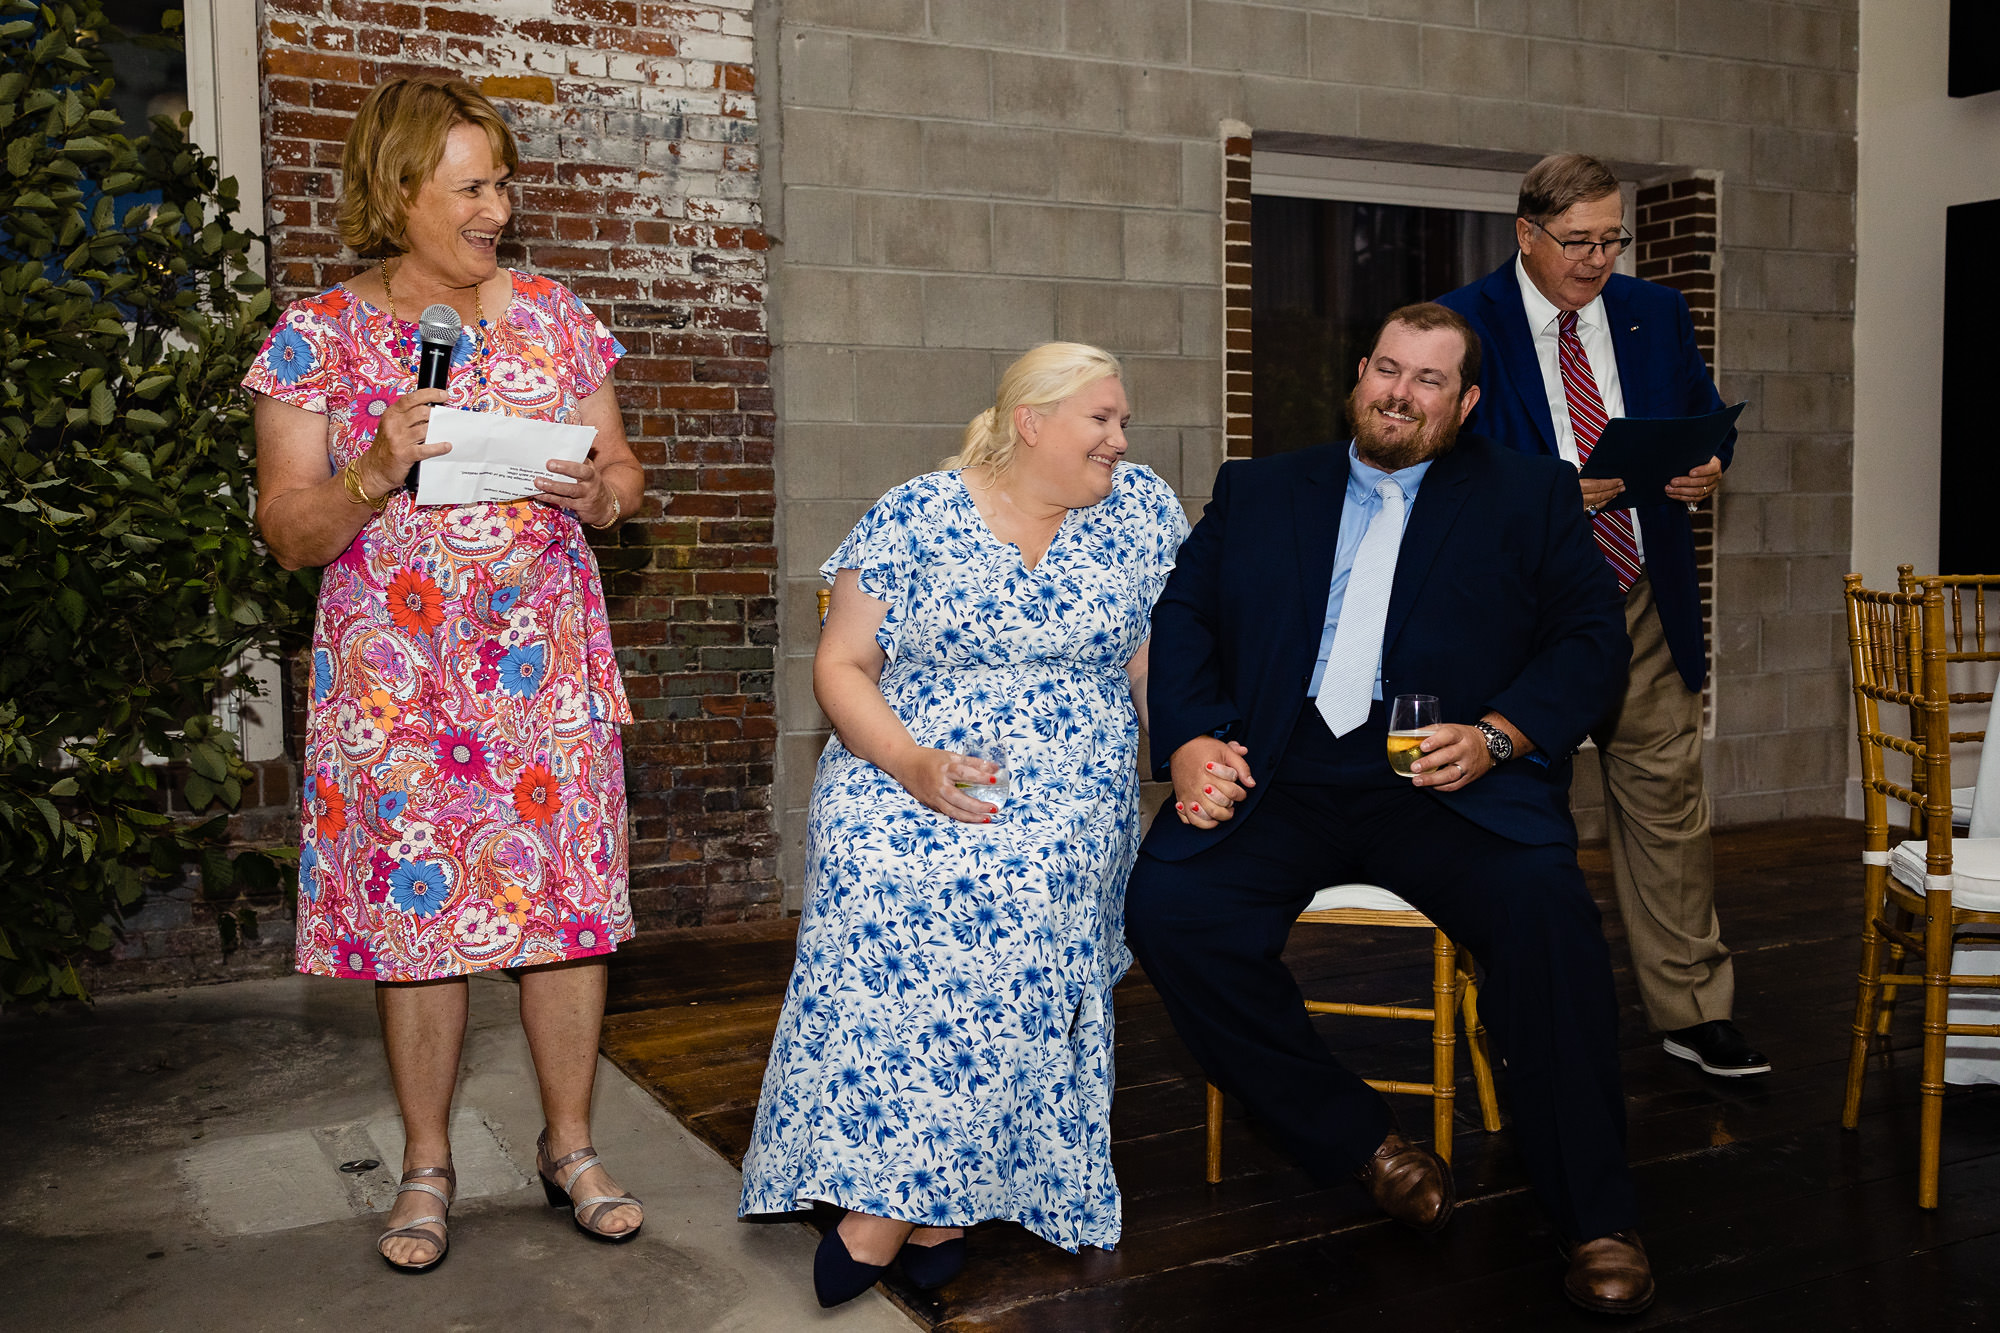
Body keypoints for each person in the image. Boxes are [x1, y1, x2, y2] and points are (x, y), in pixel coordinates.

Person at [1126, 304, 1658, 1314]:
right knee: (1170, 911)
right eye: (1383, 368)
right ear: (1357, 374)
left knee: (1548, 924)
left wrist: (1498, 733)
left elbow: (1590, 643)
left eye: (1424, 379)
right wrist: (1191, 735)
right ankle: (1360, 1142)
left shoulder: (1529, 497)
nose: (1396, 392)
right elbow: (1184, 614)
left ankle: (1593, 1212)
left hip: (1444, 788)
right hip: (1279, 775)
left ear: (1462, 403)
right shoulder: (1259, 489)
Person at [246, 75, 647, 1272]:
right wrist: (374, 465)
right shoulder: (317, 336)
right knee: (420, 921)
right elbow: (289, 528)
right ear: (397, 190)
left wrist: (600, 493)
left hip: (542, 668)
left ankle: (568, 1146)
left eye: (502, 183)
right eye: (470, 187)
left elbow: (623, 472)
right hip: (396, 677)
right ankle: (426, 1168)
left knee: (563, 919)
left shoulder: (558, 318)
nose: (497, 209)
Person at [738, 343, 1189, 1307]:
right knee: (876, 876)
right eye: (1101, 421)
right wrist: (908, 764)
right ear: (1032, 422)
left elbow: (1153, 664)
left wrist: (1185, 751)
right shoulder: (914, 513)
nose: (1120, 439)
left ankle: (889, 1210)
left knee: (1017, 895)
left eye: (1122, 423)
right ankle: (931, 1198)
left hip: (1069, 786)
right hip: (903, 761)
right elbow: (842, 666)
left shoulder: (1141, 509)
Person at [1437, 153, 1768, 1079]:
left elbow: (1706, 416)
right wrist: (1554, 496)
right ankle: (1519, 1005)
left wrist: (1709, 463)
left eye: (1610, 239)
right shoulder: (1465, 322)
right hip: (1524, 610)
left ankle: (1694, 1011)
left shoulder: (1654, 312)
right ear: (1524, 234)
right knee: (1518, 813)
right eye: (1576, 240)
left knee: (1668, 804)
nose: (1595, 259)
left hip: (1640, 593)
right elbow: (1439, 467)